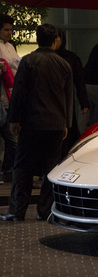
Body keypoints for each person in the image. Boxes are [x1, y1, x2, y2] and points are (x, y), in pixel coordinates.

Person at [0, 23, 73, 222]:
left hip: (32, 123)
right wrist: (67, 123)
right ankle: (45, 210)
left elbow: (19, 92)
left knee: (23, 167)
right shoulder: (64, 64)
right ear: (56, 40)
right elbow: (68, 97)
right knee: (51, 168)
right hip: (56, 124)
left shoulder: (29, 61)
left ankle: (17, 210)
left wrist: (14, 119)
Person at [56, 29, 90, 157]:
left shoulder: (70, 58)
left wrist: (83, 102)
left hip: (67, 100)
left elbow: (79, 80)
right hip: (57, 101)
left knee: (69, 132)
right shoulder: (48, 57)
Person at [0, 15, 18, 185]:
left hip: (9, 94)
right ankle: (7, 170)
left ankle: (7, 170)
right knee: (11, 140)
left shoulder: (10, 46)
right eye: (6, 29)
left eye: (11, 30)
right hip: (3, 95)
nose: (9, 33)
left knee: (11, 140)